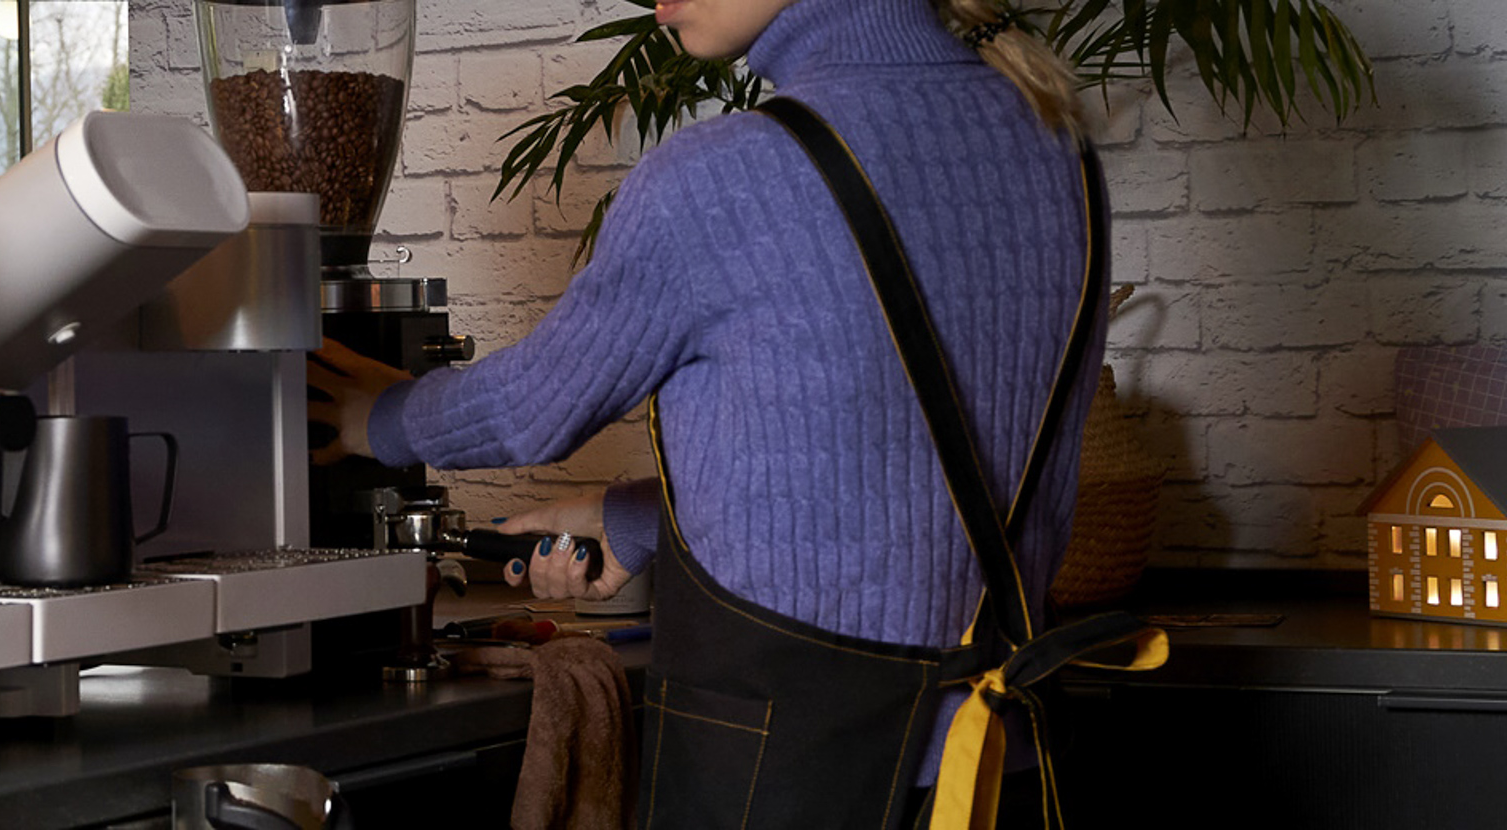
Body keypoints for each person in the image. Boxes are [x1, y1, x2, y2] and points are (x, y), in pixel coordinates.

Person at [309, 0, 1112, 825]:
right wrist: (648, 519)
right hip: (1005, 773)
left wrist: (383, 415)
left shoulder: (722, 176)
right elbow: (912, 455)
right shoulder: (1058, 143)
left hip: (792, 782)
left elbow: (533, 411)